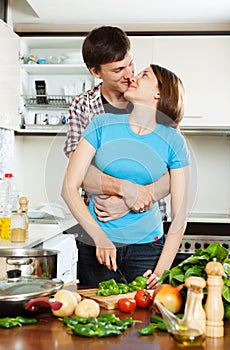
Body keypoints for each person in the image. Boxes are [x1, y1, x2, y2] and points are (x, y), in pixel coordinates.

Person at [62, 64, 191, 289]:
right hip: (95, 247)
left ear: (158, 92)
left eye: (144, 75)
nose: (133, 77)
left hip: (146, 251)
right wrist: (99, 238)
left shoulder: (174, 141)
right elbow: (69, 188)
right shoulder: (101, 124)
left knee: (143, 320)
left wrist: (162, 270)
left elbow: (179, 216)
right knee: (95, 317)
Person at [63, 26, 169, 223]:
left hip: (148, 225)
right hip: (100, 223)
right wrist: (126, 190)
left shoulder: (152, 99)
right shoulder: (83, 106)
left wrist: (133, 199)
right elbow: (80, 172)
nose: (130, 75)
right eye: (118, 70)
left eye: (131, 64)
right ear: (95, 72)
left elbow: (174, 171)